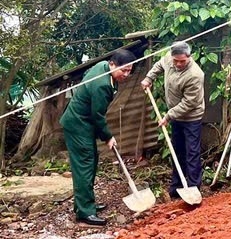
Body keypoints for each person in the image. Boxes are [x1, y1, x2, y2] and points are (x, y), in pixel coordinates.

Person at [60, 50, 136, 227]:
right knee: (84, 167)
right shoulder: (102, 85)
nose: (126, 74)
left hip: (85, 123)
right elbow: (98, 115)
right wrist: (108, 137)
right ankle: (85, 214)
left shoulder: (102, 66)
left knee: (91, 162)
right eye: (123, 70)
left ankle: (85, 204)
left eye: (129, 70)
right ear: (112, 64)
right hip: (78, 124)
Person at [141, 41, 205, 199]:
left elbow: (189, 103)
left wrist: (168, 116)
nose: (178, 64)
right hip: (176, 116)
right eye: (175, 60)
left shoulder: (195, 75)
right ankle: (177, 186)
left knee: (192, 152)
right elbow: (159, 65)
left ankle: (193, 187)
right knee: (178, 150)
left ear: (189, 57)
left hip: (191, 117)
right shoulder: (169, 59)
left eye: (182, 61)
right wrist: (149, 78)